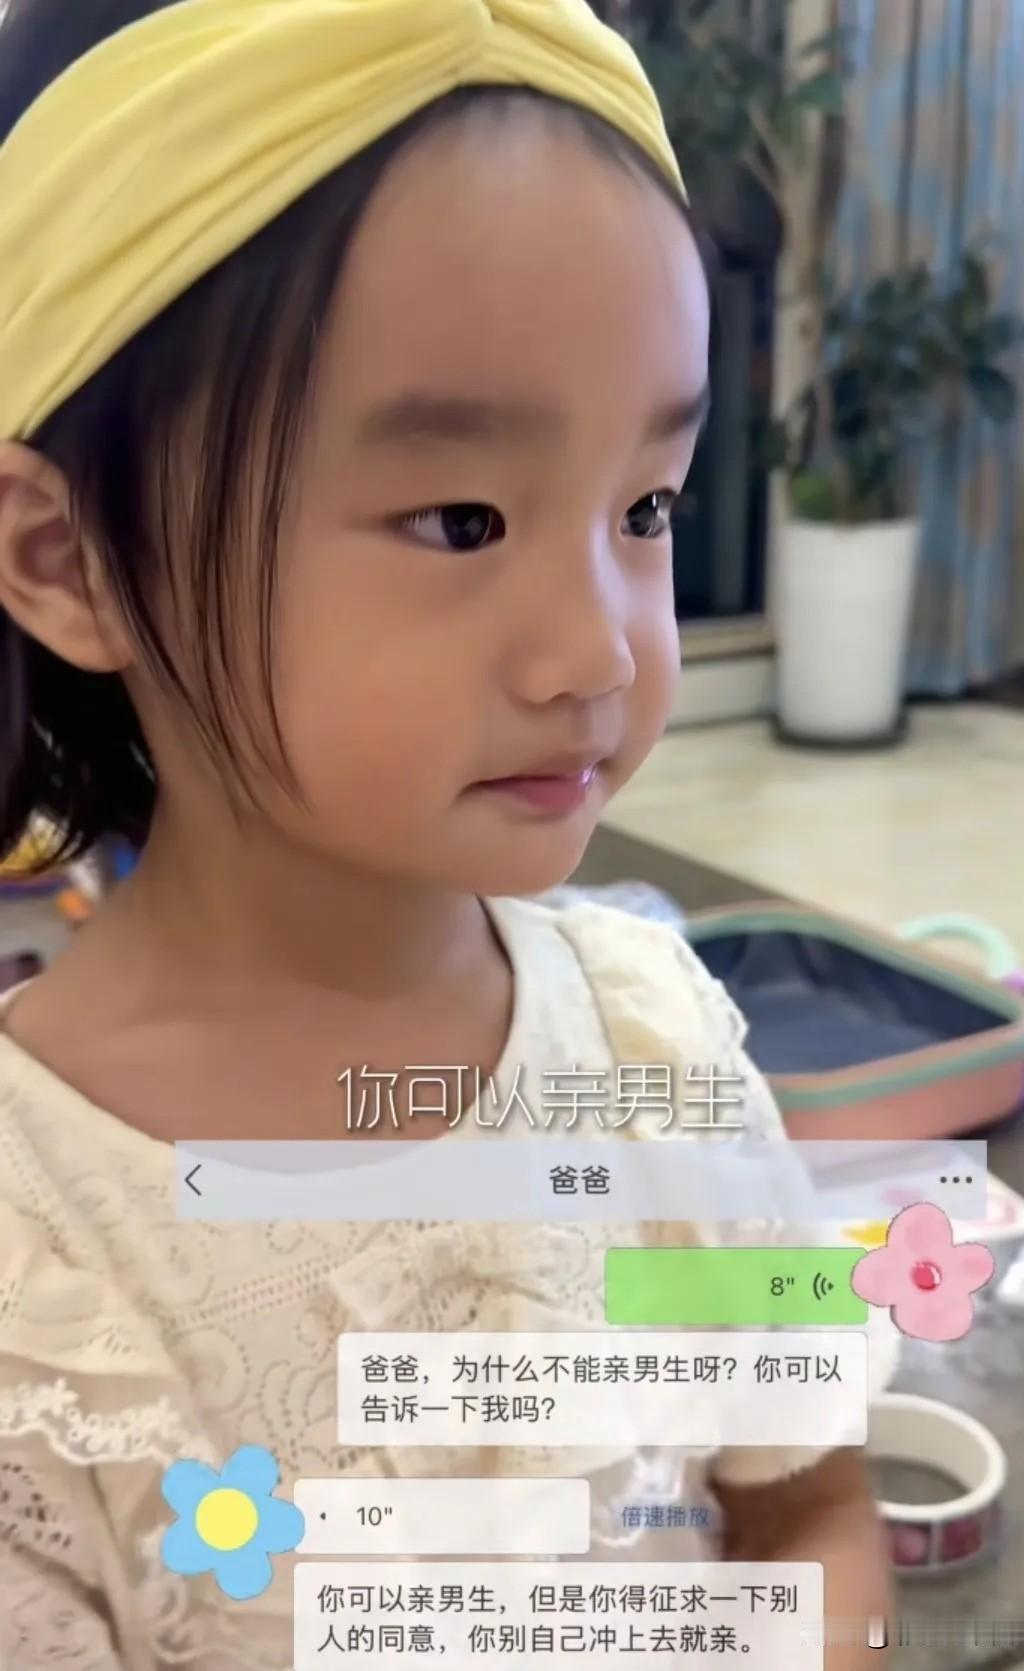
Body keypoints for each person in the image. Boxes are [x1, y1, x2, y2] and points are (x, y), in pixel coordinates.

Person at [0, 0, 896, 1665]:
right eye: (463, 520)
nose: (601, 652)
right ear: (70, 560)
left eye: (645, 507)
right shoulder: (39, 1255)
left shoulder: (652, 1050)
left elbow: (810, 1510)